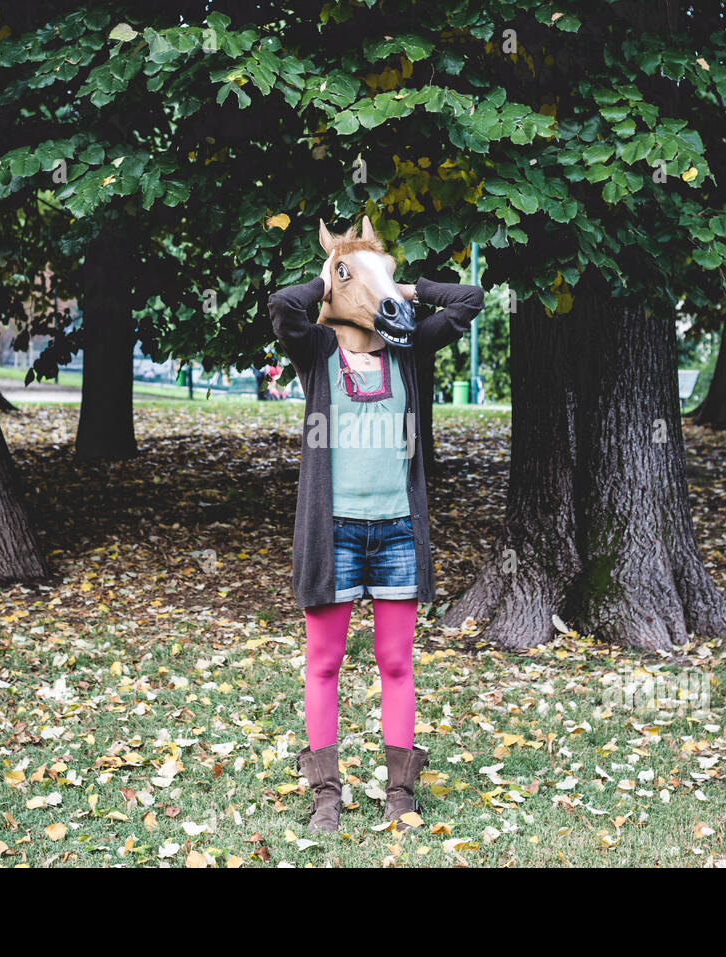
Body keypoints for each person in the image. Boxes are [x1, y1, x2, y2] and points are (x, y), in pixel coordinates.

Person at [267, 216, 483, 832]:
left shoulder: (407, 353)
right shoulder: (316, 353)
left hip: (395, 534)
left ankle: (400, 792)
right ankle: (326, 795)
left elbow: (469, 299)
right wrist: (331, 277)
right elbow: (284, 310)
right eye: (362, 281)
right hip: (331, 532)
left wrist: (401, 290)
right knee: (324, 663)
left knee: (396, 662)